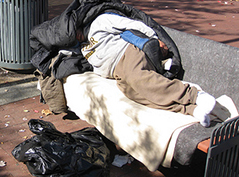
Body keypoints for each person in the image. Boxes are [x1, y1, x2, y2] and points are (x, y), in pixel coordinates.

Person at [77, 12, 216, 127]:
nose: (74, 36)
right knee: (134, 95)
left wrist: (154, 41)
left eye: (74, 32)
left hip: (128, 54)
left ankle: (195, 95)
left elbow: (134, 25)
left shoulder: (99, 22)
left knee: (138, 78)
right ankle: (191, 110)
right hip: (117, 72)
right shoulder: (82, 47)